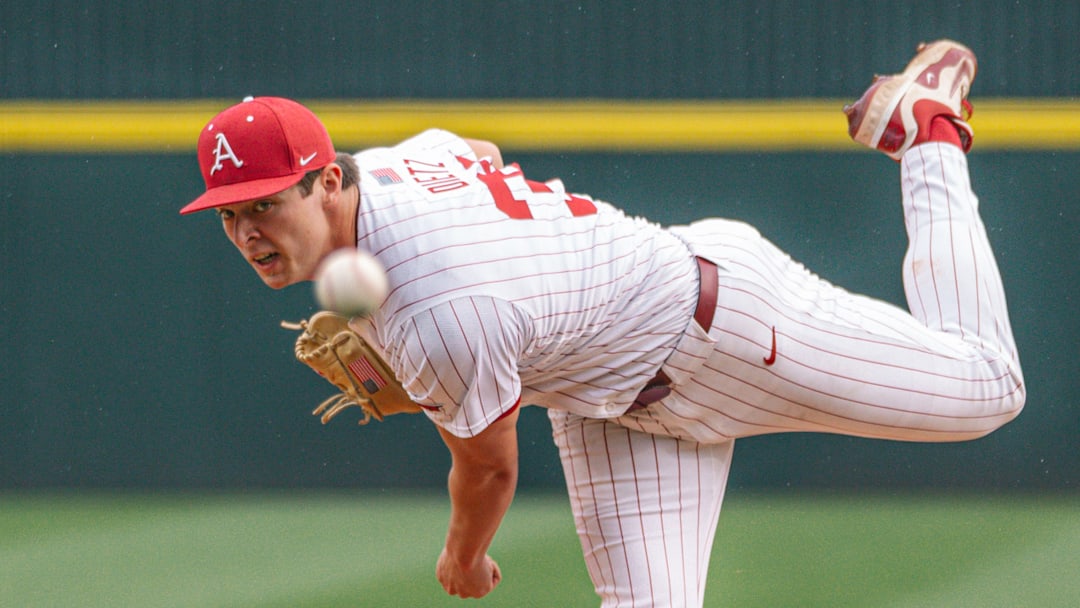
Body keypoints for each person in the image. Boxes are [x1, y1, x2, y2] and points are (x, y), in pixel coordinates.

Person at [181, 40, 1024, 607]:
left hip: (719, 326)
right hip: (609, 401)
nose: (247, 232)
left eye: (263, 205)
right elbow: (473, 152)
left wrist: (463, 560)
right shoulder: (397, 163)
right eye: (227, 215)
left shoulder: (438, 312)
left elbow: (489, 474)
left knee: (990, 390)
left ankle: (927, 135)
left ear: (327, 183)